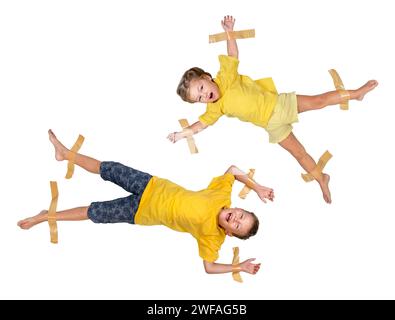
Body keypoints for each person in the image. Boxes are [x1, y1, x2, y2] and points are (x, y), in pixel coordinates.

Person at [169, 15, 378, 204]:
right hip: (271, 126)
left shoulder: (226, 77)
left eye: (202, 89)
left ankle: (356, 93)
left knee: (319, 101)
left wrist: (229, 32)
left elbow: (232, 53)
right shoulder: (215, 108)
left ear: (206, 77)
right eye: (199, 98)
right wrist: (181, 134)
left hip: (280, 104)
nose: (204, 96)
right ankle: (321, 179)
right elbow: (200, 126)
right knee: (299, 154)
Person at [18, 130, 275, 276]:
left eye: (238, 225)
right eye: (240, 214)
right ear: (236, 208)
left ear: (230, 233)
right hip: (150, 184)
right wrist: (258, 186)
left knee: (93, 211)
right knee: (109, 168)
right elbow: (233, 169)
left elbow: (209, 267)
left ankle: (45, 217)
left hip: (140, 212)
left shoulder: (212, 238)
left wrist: (238, 266)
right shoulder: (221, 195)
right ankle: (65, 154)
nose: (236, 219)